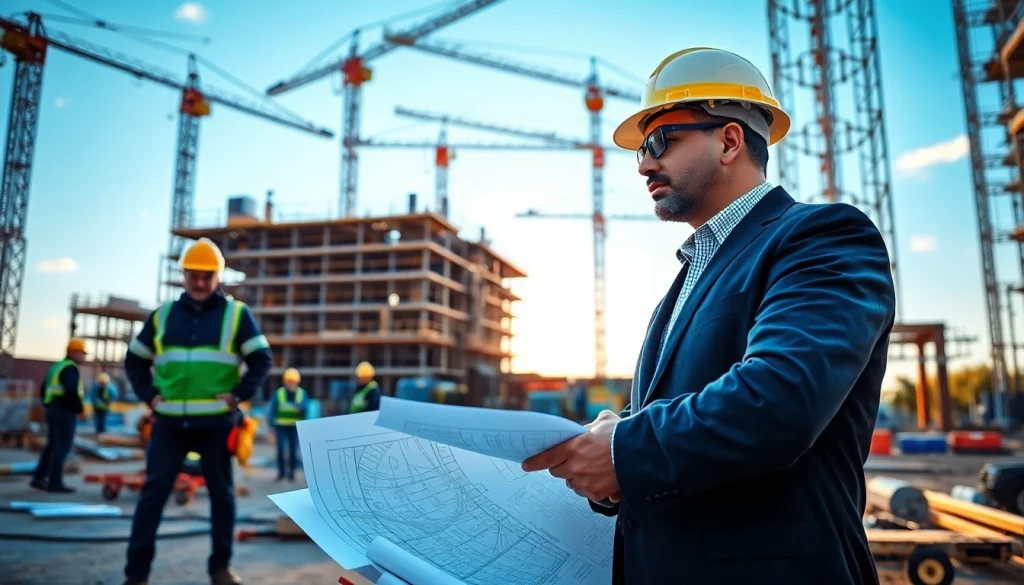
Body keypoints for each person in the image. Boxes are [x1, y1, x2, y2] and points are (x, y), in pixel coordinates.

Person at [521, 47, 896, 585]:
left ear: (729, 141)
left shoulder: (821, 236)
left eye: (660, 141)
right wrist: (607, 459)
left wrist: (624, 450)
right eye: (640, 151)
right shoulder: (684, 283)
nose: (644, 164)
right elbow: (679, 419)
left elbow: (782, 398)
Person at [121, 237, 272, 585]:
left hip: (215, 424)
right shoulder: (163, 316)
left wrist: (239, 395)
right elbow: (135, 359)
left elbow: (261, 358)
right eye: (193, 275)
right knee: (152, 496)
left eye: (207, 276)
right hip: (169, 423)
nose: (200, 283)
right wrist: (149, 396)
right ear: (184, 275)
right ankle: (136, 575)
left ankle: (220, 569)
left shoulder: (236, 315)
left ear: (219, 277)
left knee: (222, 497)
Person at [30, 338, 87, 493]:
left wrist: (48, 405)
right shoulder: (70, 368)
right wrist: (79, 408)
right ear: (72, 352)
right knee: (62, 446)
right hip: (65, 411)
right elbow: (71, 390)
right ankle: (55, 482)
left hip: (53, 409)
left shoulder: (56, 366)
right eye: (81, 353)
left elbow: (44, 388)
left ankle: (38, 477)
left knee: (52, 445)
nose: (83, 356)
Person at [268, 367, 307, 482]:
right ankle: (281, 474)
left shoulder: (301, 394)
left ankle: (291, 474)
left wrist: (300, 409)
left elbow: (306, 408)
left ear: (297, 382)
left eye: (293, 382)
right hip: (281, 426)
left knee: (293, 450)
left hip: (295, 427)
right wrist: (271, 425)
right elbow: (272, 410)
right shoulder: (279, 393)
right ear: (285, 382)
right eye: (289, 381)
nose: (290, 384)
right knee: (280, 449)